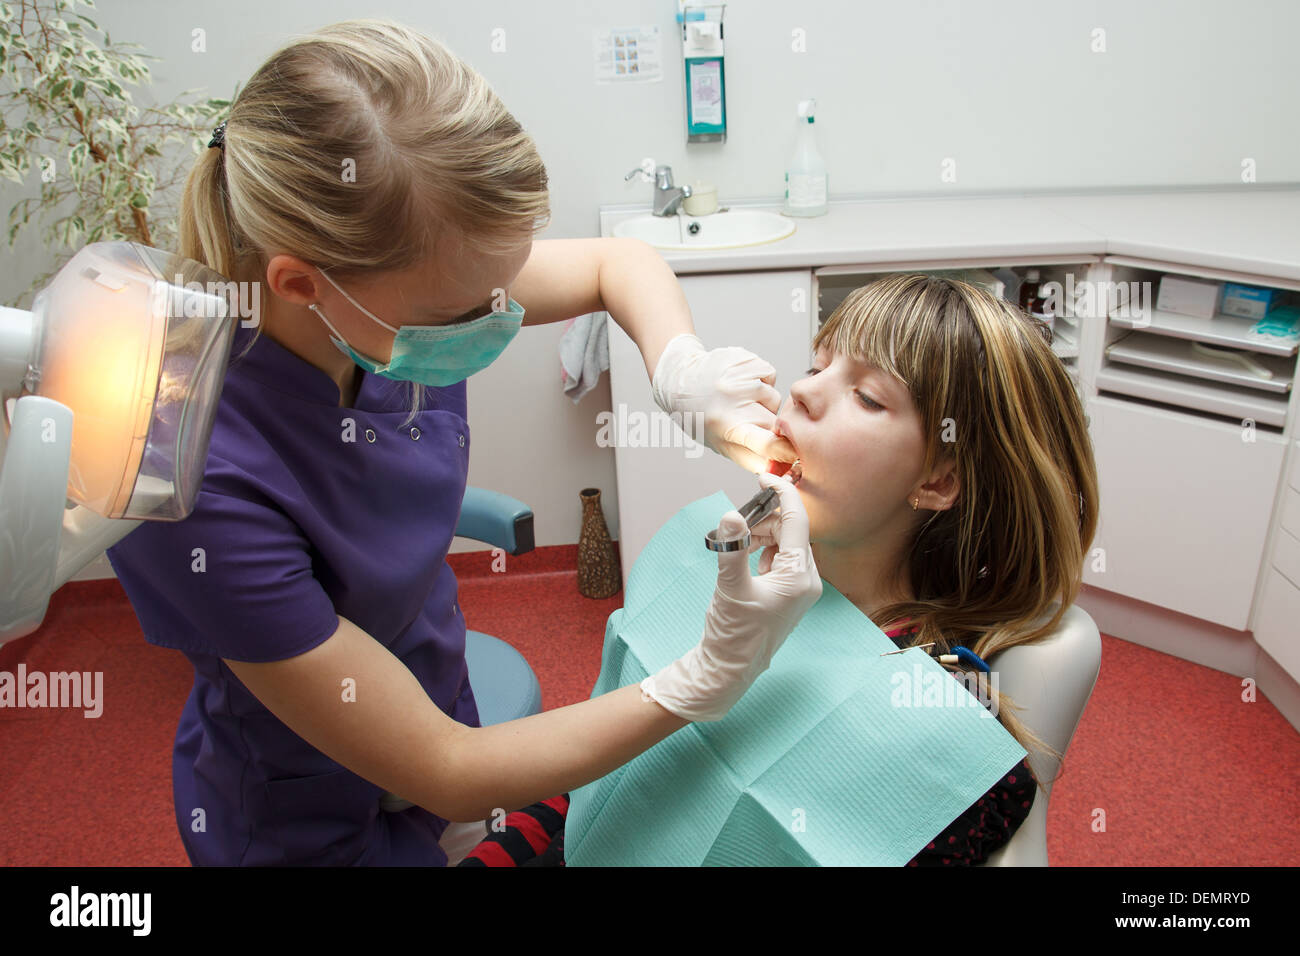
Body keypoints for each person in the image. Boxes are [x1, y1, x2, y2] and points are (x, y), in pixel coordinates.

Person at [104, 18, 818, 867]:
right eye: (467, 311)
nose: (501, 316)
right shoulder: (191, 478)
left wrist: (679, 366)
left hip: (441, 701)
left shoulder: (408, 284)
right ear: (300, 282)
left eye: (502, 289)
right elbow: (447, 771)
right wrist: (707, 678)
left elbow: (618, 264)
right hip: (304, 817)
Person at [563, 272, 1101, 865]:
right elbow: (605, 775)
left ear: (938, 480)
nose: (801, 392)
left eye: (868, 396)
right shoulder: (726, 569)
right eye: (817, 366)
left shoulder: (934, 702)